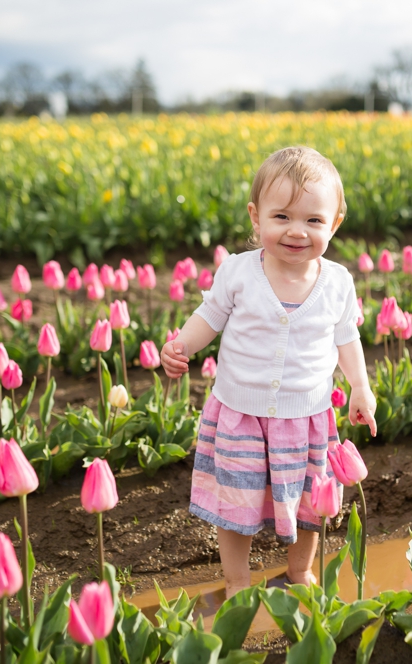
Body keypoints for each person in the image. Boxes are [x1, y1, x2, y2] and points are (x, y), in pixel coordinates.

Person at [159, 146, 377, 593]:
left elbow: (346, 338)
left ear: (334, 223)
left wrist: (360, 386)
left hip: (308, 418)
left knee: (312, 504)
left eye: (314, 221)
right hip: (241, 413)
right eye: (282, 217)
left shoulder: (337, 282)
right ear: (256, 218)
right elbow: (209, 316)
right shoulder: (238, 272)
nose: (297, 231)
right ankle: (237, 581)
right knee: (237, 504)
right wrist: (181, 345)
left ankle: (299, 570)